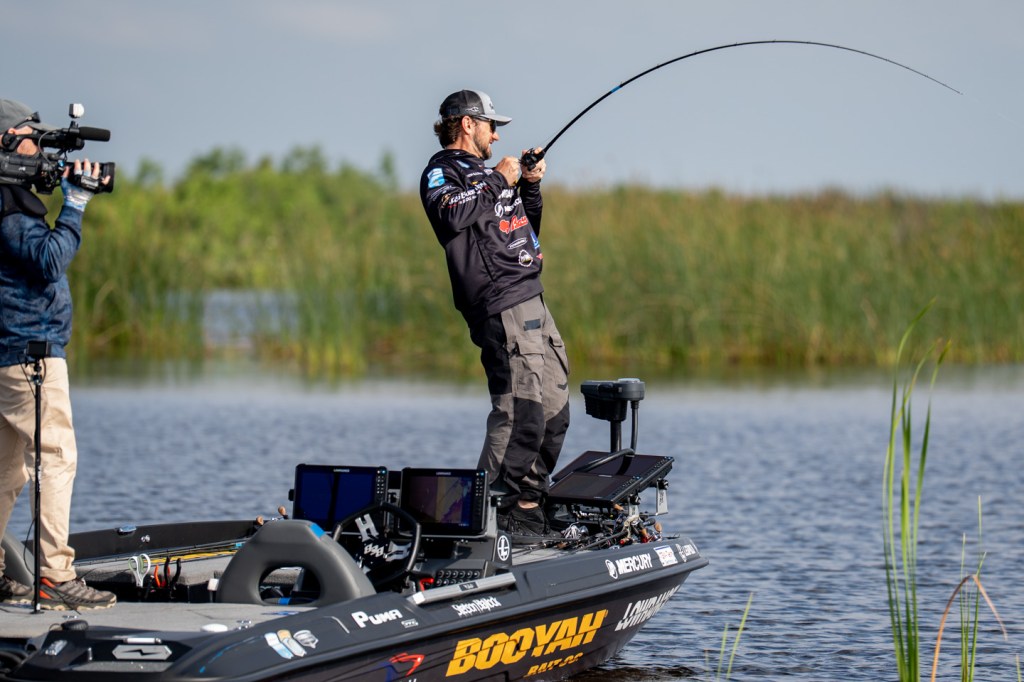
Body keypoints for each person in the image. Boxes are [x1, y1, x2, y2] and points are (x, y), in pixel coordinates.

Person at [420, 90, 570, 537]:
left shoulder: (490, 177)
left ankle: (525, 508)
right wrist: (498, 181)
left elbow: (523, 226)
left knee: (553, 412)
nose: (497, 135)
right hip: (499, 304)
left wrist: (529, 185)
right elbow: (450, 216)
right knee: (518, 412)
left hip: (532, 295)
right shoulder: (441, 172)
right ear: (468, 124)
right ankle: (479, 522)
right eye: (491, 126)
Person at [0, 98, 116, 609]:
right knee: (56, 458)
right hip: (30, 355)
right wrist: (76, 203)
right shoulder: (8, 206)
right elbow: (49, 261)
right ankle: (54, 576)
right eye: (32, 139)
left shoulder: (10, 199)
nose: (39, 149)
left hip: (10, 354)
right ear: (5, 142)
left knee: (7, 472)